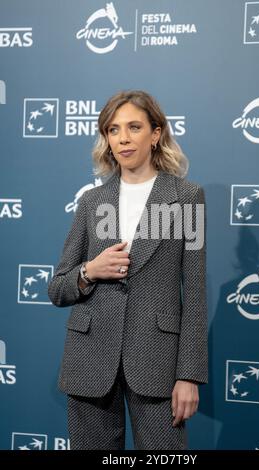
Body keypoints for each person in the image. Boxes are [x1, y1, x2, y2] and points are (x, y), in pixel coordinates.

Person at [48, 90, 208, 450]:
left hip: (157, 364)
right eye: (113, 129)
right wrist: (89, 271)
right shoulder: (92, 200)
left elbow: (195, 291)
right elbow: (58, 288)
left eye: (134, 127)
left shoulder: (186, 197)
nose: (122, 138)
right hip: (89, 361)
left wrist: (189, 375)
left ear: (155, 134)